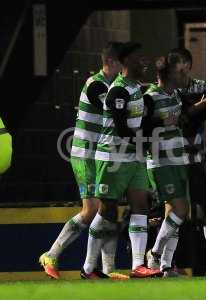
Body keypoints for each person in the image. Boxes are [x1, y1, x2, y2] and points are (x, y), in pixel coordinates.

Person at [39, 42, 126, 280]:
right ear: (110, 62)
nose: (124, 65)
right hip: (84, 155)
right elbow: (114, 108)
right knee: (91, 211)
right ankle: (51, 254)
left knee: (109, 209)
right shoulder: (96, 84)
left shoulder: (114, 85)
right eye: (122, 61)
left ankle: (108, 270)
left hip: (100, 154)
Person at [81, 42, 162, 279]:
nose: (144, 62)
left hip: (134, 156)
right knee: (107, 212)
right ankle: (88, 269)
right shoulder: (118, 91)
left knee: (141, 206)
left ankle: (138, 265)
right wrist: (147, 142)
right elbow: (121, 130)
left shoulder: (135, 88)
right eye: (139, 58)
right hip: (112, 157)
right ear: (125, 62)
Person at [168, 48, 206, 275]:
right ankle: (166, 264)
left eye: (182, 66)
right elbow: (182, 119)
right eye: (175, 67)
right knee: (173, 212)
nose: (178, 72)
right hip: (171, 160)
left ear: (189, 65)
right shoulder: (167, 91)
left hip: (195, 158)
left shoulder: (202, 87)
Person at [144, 53, 190, 277]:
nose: (185, 74)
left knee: (173, 214)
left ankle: (165, 266)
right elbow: (140, 129)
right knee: (181, 210)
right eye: (180, 71)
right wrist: (162, 121)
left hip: (178, 159)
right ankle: (154, 254)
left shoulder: (176, 94)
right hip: (161, 161)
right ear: (168, 73)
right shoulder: (150, 97)